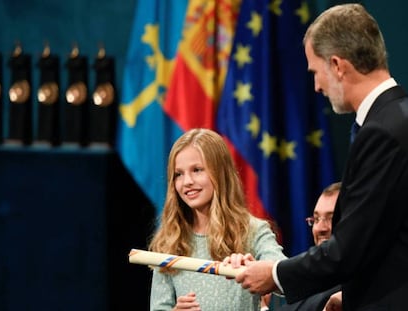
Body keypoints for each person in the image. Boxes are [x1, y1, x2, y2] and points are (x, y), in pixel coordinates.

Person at [226, 3, 408, 310]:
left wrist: (274, 274)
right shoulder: (396, 118)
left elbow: (349, 248)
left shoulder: (382, 132)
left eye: (315, 72)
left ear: (337, 65)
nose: (317, 86)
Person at [148, 128, 286, 311]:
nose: (187, 181)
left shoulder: (253, 230)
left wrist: (254, 267)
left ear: (220, 174)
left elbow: (284, 277)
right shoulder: (170, 240)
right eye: (178, 174)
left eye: (197, 170)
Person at [276, 182, 342, 311]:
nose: (320, 229)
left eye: (331, 218)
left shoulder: (353, 289)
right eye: (316, 219)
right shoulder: (312, 282)